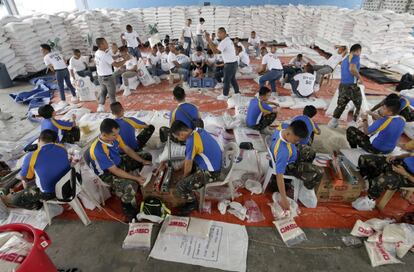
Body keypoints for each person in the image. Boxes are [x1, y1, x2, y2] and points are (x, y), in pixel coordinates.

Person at [85, 118, 151, 221]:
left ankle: (139, 182)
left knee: (146, 156)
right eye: (114, 135)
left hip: (118, 162)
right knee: (129, 186)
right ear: (104, 134)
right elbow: (114, 170)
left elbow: (126, 149)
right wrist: (135, 178)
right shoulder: (99, 150)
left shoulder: (115, 137)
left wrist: (142, 161)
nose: (117, 137)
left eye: (117, 133)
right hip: (106, 173)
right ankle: (128, 208)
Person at [168, 120, 222, 214]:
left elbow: (188, 164)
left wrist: (184, 178)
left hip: (212, 172)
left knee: (181, 186)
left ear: (181, 134)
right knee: (187, 160)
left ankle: (191, 203)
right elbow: (188, 159)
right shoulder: (198, 130)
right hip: (214, 163)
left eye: (177, 137)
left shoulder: (191, 141)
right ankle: (190, 187)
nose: (178, 139)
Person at [9, 130, 71, 209]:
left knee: (15, 200)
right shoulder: (62, 148)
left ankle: (37, 205)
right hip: (69, 184)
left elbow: (24, 177)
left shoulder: (31, 156)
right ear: (55, 141)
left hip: (51, 193)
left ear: (38, 139)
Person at [270, 120, 323, 210]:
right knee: (319, 172)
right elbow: (279, 176)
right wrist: (283, 198)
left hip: (291, 155)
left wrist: (295, 143)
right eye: (296, 140)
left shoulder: (283, 127)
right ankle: (305, 192)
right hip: (289, 166)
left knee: (311, 152)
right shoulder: (283, 152)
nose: (297, 142)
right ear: (288, 134)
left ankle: (304, 175)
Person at [328, 44, 363, 128]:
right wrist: (360, 78)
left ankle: (333, 122)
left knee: (341, 105)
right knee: (358, 103)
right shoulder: (355, 57)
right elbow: (352, 69)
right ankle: (354, 123)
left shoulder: (345, 58)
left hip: (343, 85)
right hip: (351, 86)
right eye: (360, 51)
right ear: (358, 51)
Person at [95, 38, 130, 112]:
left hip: (100, 77)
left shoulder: (97, 53)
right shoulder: (105, 55)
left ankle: (100, 107)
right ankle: (115, 111)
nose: (107, 44)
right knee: (112, 96)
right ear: (101, 45)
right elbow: (117, 65)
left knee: (103, 92)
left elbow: (110, 58)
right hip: (108, 78)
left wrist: (119, 57)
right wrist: (125, 60)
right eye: (105, 42)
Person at [205, 27, 240, 101]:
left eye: (219, 33)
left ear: (223, 33)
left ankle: (225, 95)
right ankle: (237, 93)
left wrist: (209, 40)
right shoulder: (228, 40)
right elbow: (216, 47)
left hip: (230, 64)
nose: (218, 35)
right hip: (234, 63)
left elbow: (215, 51)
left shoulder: (224, 42)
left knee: (226, 80)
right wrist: (210, 40)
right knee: (232, 79)